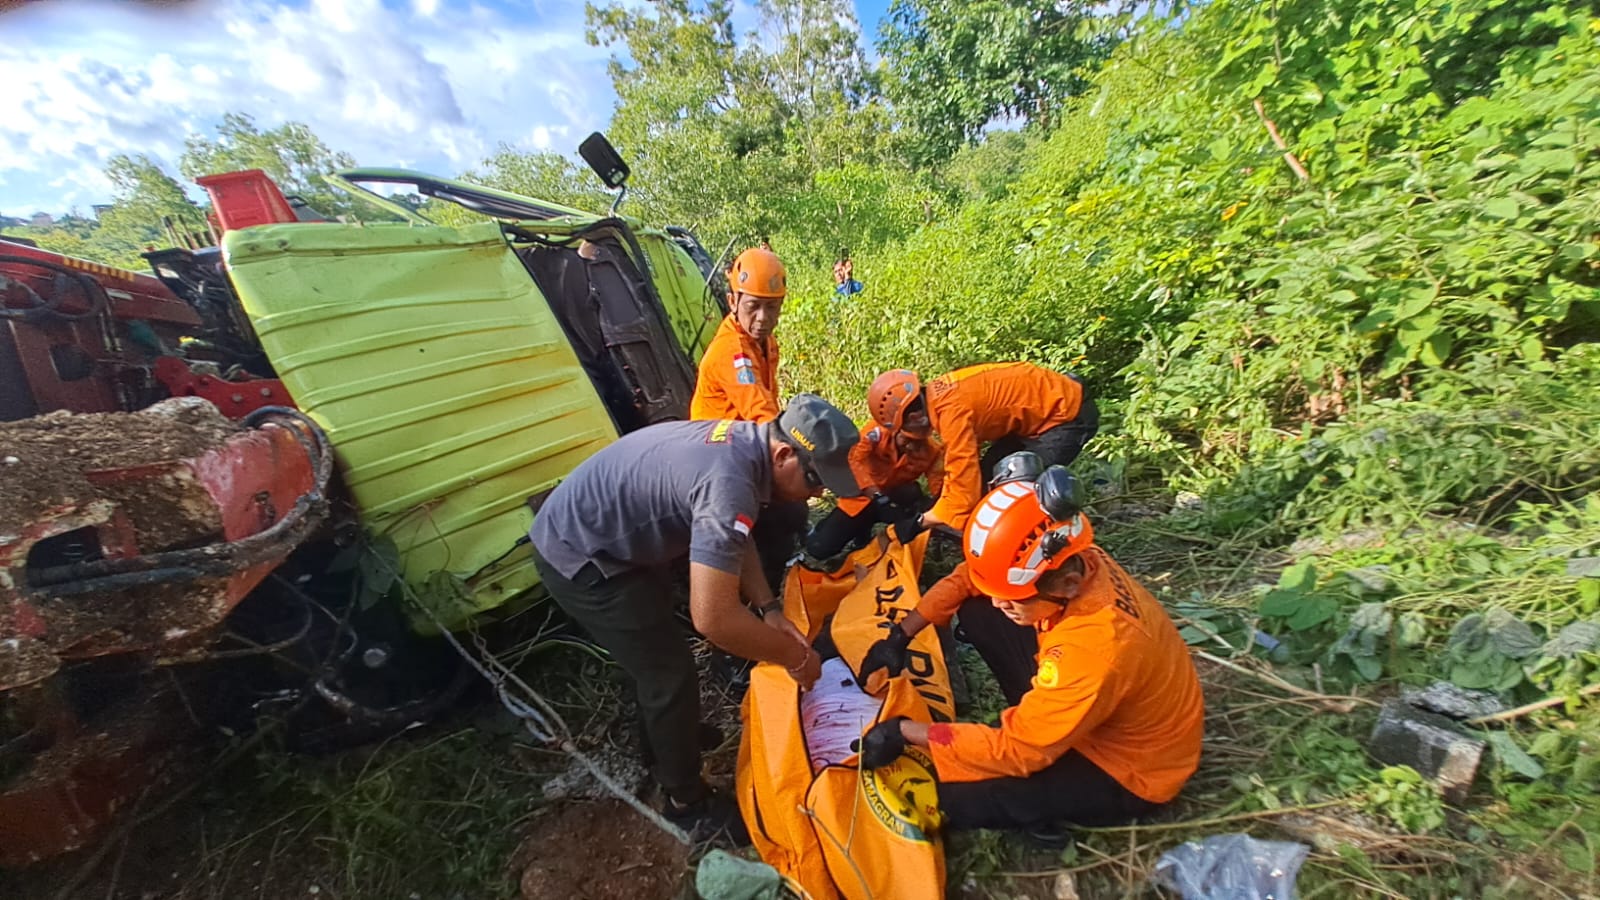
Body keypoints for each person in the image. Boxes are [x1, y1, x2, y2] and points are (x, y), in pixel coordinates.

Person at [529, 394, 863, 839]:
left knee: (652, 651)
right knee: (670, 671)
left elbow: (733, 535)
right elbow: (712, 619)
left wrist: (768, 609)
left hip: (614, 541)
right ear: (784, 453)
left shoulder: (746, 447)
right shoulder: (730, 481)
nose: (818, 494)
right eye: (815, 479)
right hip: (580, 555)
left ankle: (663, 744)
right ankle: (685, 800)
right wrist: (795, 659)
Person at [853, 461, 1204, 832]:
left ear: (1067, 585)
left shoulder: (1094, 649)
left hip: (1132, 767)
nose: (1002, 603)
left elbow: (1017, 750)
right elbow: (969, 580)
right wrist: (901, 635)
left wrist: (906, 731)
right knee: (977, 611)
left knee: (958, 798)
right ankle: (1042, 721)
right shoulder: (1074, 558)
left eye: (1012, 599)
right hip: (1102, 705)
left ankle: (1049, 807)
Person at [867, 362, 1098, 534]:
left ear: (915, 415)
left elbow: (964, 493)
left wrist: (921, 523)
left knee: (1016, 491)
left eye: (903, 427)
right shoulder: (940, 394)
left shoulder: (951, 414)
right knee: (988, 476)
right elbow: (963, 462)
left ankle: (1040, 542)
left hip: (1065, 416)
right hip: (1035, 415)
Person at [689, 246, 805, 588]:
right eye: (753, 306)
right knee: (786, 508)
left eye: (772, 308)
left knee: (791, 503)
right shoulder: (732, 351)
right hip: (715, 456)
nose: (763, 318)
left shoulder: (767, 344)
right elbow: (762, 412)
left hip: (741, 442)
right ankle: (758, 593)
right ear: (732, 302)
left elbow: (769, 403)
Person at [804, 423, 944, 560]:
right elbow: (853, 458)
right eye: (906, 439)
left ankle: (896, 541)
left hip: (894, 498)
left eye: (918, 442)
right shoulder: (877, 432)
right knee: (819, 548)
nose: (910, 446)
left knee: (914, 496)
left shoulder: (933, 452)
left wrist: (935, 515)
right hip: (861, 497)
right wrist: (877, 496)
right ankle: (819, 530)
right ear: (896, 430)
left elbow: (938, 486)